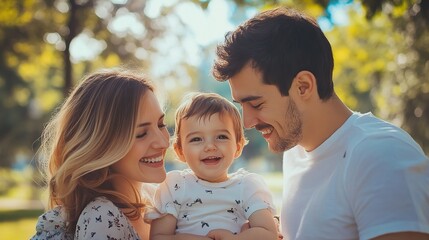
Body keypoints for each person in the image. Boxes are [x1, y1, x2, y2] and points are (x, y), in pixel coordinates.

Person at [211, 7, 429, 240]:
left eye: (256, 104)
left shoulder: (381, 154)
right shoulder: (295, 152)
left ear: (303, 86)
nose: (247, 122)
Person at [31, 68, 170, 240]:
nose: (164, 142)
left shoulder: (159, 198)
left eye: (161, 124)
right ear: (103, 145)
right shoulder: (102, 217)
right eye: (141, 134)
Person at [149, 92, 277, 240]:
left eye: (221, 137)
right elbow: (158, 237)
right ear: (180, 151)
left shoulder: (247, 186)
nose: (210, 146)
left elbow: (268, 234)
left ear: (238, 146)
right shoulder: (173, 186)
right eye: (196, 139)